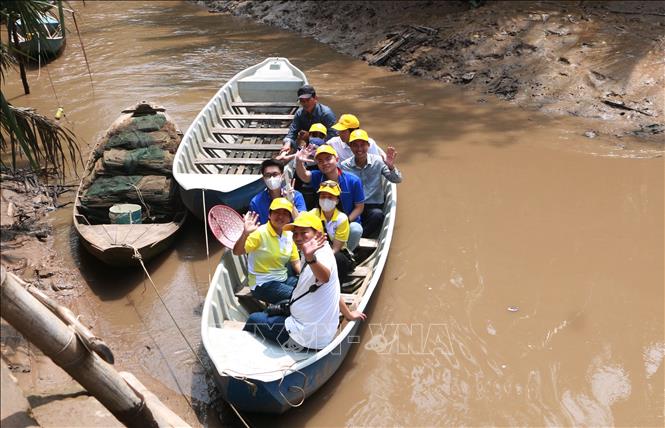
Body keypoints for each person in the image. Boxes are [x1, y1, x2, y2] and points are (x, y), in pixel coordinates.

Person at [243, 212, 366, 351]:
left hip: (304, 336)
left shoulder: (317, 256)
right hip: (311, 327)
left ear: (317, 233)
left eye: (304, 233)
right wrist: (348, 314)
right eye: (295, 233)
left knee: (253, 319)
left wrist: (310, 258)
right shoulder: (320, 250)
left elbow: (324, 277)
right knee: (277, 307)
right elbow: (334, 290)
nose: (298, 237)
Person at [295, 144, 365, 251]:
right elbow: (304, 175)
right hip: (324, 221)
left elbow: (359, 207)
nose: (325, 163)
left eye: (328, 159)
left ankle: (347, 253)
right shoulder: (318, 176)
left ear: (336, 159)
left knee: (356, 229)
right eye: (320, 161)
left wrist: (345, 221)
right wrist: (299, 161)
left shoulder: (353, 180)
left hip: (348, 221)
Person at [232, 198, 301, 304]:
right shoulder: (259, 233)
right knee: (298, 297)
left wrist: (307, 277)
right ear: (269, 215)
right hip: (262, 284)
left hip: (283, 279)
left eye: (285, 213)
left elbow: (296, 262)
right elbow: (237, 252)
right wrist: (245, 234)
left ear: (289, 218)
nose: (280, 216)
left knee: (307, 289)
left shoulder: (289, 235)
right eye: (277, 212)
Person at [340, 129, 402, 238]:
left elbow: (397, 179)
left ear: (368, 145)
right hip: (354, 206)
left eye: (362, 145)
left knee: (378, 215)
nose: (359, 149)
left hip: (373, 205)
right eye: (355, 145)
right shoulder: (345, 165)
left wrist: (391, 166)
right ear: (350, 146)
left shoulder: (378, 161)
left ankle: (358, 238)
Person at [310, 181, 355, 284]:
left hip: (334, 253)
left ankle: (338, 284)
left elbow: (335, 248)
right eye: (323, 196)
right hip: (316, 250)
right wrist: (291, 202)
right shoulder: (313, 214)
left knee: (338, 258)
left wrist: (321, 259)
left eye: (330, 197)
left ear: (337, 200)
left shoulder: (342, 218)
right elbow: (299, 220)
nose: (326, 199)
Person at [276, 85, 336, 160]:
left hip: (324, 145)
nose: (305, 103)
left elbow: (333, 137)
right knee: (289, 143)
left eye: (308, 100)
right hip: (308, 145)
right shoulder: (299, 113)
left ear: (315, 99)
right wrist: (287, 144)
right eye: (302, 101)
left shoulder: (326, 114)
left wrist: (311, 136)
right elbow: (292, 132)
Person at [249, 159, 307, 225]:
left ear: (282, 176)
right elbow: (255, 229)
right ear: (263, 179)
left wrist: (291, 203)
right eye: (268, 175)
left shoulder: (296, 196)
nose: (271, 178)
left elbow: (303, 224)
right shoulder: (256, 202)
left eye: (275, 174)